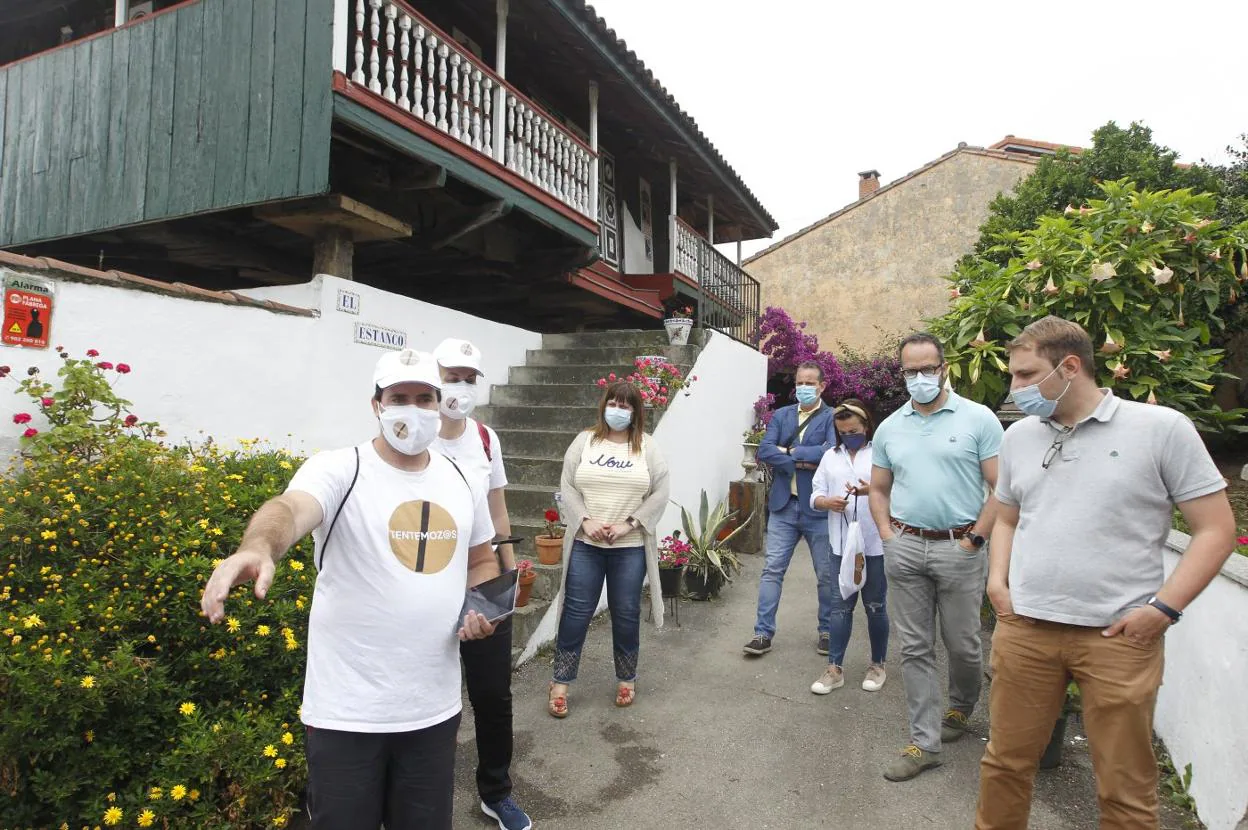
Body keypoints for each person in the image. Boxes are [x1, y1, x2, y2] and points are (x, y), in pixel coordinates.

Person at [199, 349, 501, 830]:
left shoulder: (463, 477)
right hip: (347, 715)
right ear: (377, 405)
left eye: (424, 398)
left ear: (439, 403)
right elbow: (290, 507)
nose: (413, 409)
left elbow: (482, 559)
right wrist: (258, 547)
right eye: (398, 397)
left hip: (432, 711)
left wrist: (482, 608)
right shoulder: (341, 468)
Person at [975, 316, 1235, 829]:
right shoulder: (1021, 437)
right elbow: (1006, 515)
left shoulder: (1160, 429)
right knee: (1005, 766)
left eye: (1026, 375)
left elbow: (1216, 531)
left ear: (1070, 367)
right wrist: (997, 581)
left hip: (1117, 637)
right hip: (1026, 628)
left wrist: (1163, 610)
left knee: (1125, 788)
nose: (1015, 388)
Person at [868, 332, 1003, 782]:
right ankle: (922, 743)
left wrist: (975, 541)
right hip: (905, 547)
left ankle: (961, 707)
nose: (920, 377)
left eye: (928, 369)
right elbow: (880, 489)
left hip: (960, 549)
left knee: (963, 643)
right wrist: (887, 534)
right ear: (902, 372)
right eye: (911, 371)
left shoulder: (978, 419)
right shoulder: (890, 427)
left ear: (944, 368)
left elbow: (1001, 488)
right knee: (914, 647)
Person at [431, 338, 530, 830]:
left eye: (470, 379)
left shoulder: (486, 439)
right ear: (434, 378)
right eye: (452, 376)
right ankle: (424, 799)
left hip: (484, 578)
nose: (461, 387)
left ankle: (496, 791)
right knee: (432, 698)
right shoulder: (414, 437)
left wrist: (509, 577)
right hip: (426, 585)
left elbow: (498, 510)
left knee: (493, 695)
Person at [548, 380, 670, 718]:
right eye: (613, 403)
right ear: (604, 405)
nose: (618, 410)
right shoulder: (584, 441)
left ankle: (626, 678)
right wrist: (585, 521)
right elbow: (567, 486)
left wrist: (628, 524)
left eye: (626, 405)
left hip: (628, 546)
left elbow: (661, 491)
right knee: (576, 613)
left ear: (636, 412)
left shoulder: (646, 446)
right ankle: (560, 681)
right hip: (587, 544)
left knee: (626, 613)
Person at [743, 360, 838, 657]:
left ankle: (826, 631)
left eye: (810, 383)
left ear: (822, 386)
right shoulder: (782, 416)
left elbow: (831, 454)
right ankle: (762, 633)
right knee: (772, 571)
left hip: (818, 508)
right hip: (784, 506)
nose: (804, 388)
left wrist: (792, 452)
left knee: (825, 574)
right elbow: (766, 450)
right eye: (800, 382)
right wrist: (801, 458)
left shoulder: (833, 417)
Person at [809, 399, 889, 695]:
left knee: (876, 606)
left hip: (874, 543)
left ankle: (878, 665)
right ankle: (834, 669)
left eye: (854, 430)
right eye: (843, 432)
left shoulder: (881, 453)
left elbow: (897, 487)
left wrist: (871, 489)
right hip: (840, 545)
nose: (848, 436)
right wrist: (826, 502)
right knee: (840, 607)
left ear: (867, 426)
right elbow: (815, 493)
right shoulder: (830, 456)